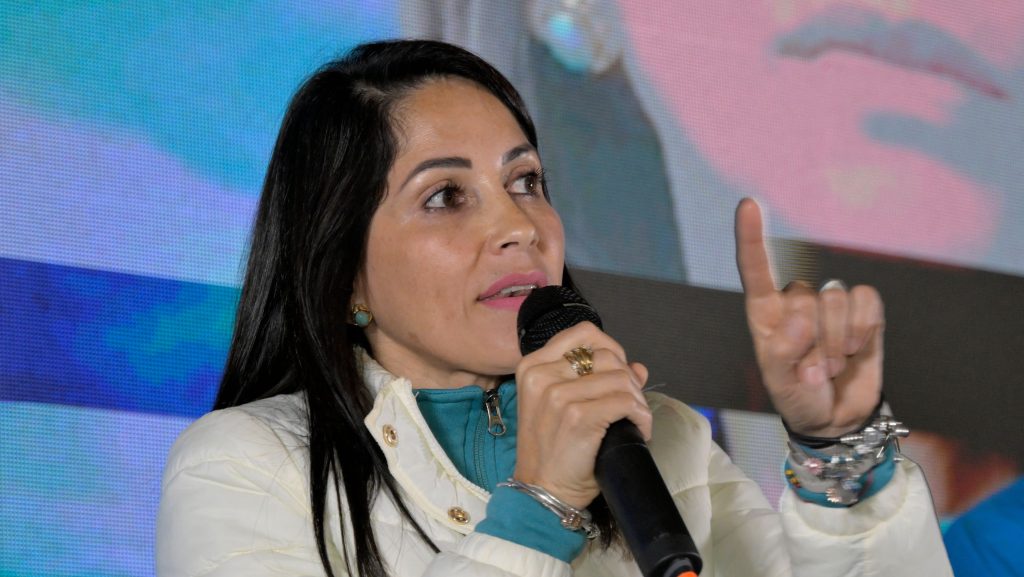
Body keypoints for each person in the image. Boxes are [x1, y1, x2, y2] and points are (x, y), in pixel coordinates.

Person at [156, 39, 952, 576]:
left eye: (526, 181)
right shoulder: (244, 466)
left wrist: (839, 455)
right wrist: (540, 504)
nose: (518, 225)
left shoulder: (664, 437)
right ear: (344, 277)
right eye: (445, 196)